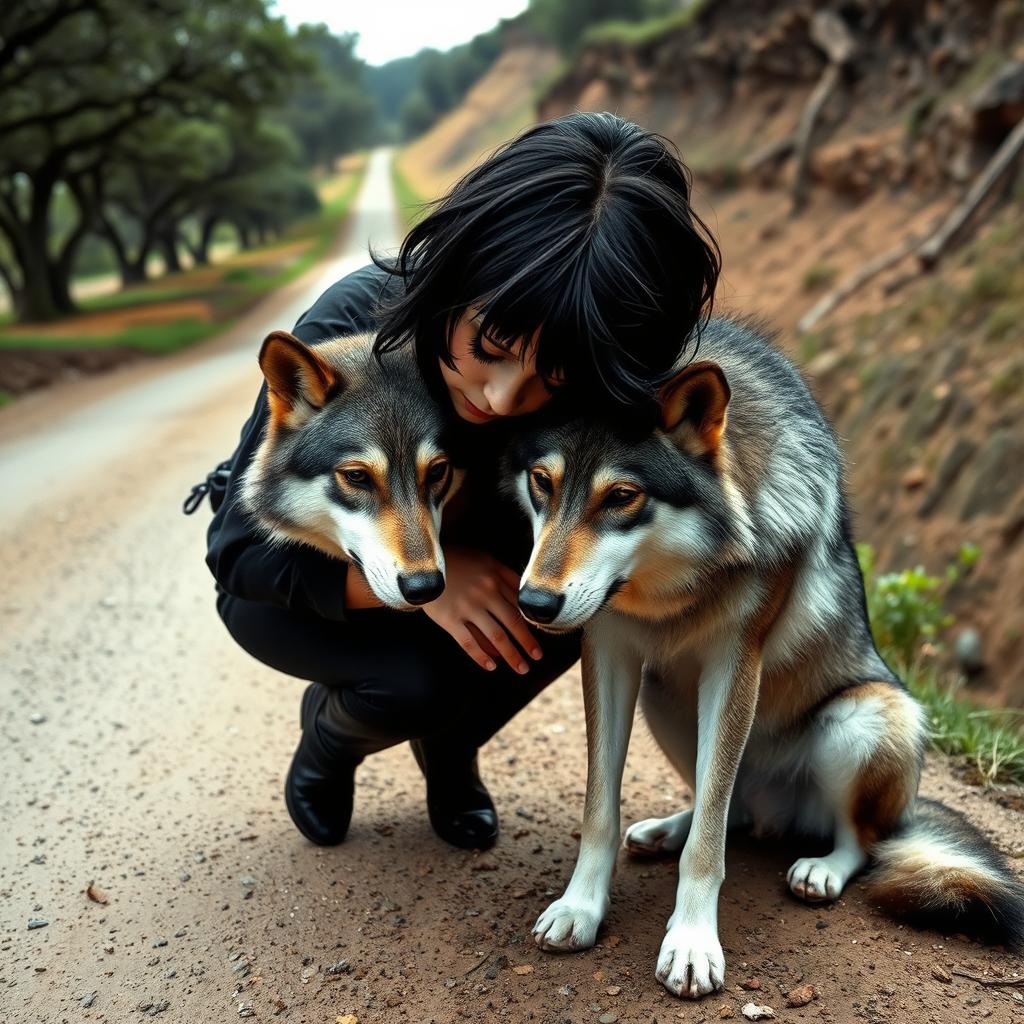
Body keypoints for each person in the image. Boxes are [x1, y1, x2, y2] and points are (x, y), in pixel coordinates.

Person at [203, 111, 720, 850]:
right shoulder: (354, 326)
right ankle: (330, 741)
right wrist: (433, 581)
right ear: (459, 270)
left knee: (581, 594)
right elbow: (239, 558)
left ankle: (450, 749)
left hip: (482, 571)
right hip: (296, 589)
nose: (505, 398)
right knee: (414, 687)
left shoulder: (609, 372)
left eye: (556, 376)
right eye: (491, 346)